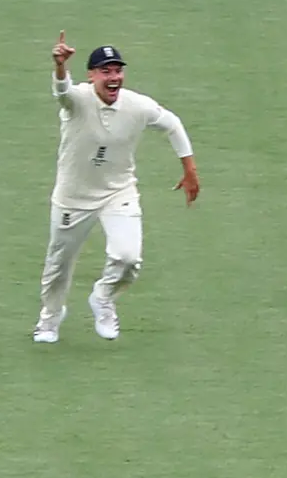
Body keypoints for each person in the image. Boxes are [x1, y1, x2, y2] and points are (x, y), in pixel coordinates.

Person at [35, 34, 199, 343]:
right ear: (91, 75)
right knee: (58, 266)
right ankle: (49, 318)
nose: (114, 77)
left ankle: (104, 298)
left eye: (118, 70)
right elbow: (62, 91)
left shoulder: (137, 105)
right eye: (106, 71)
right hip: (73, 197)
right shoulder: (78, 100)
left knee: (127, 258)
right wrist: (59, 66)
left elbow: (172, 124)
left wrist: (189, 169)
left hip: (118, 192)